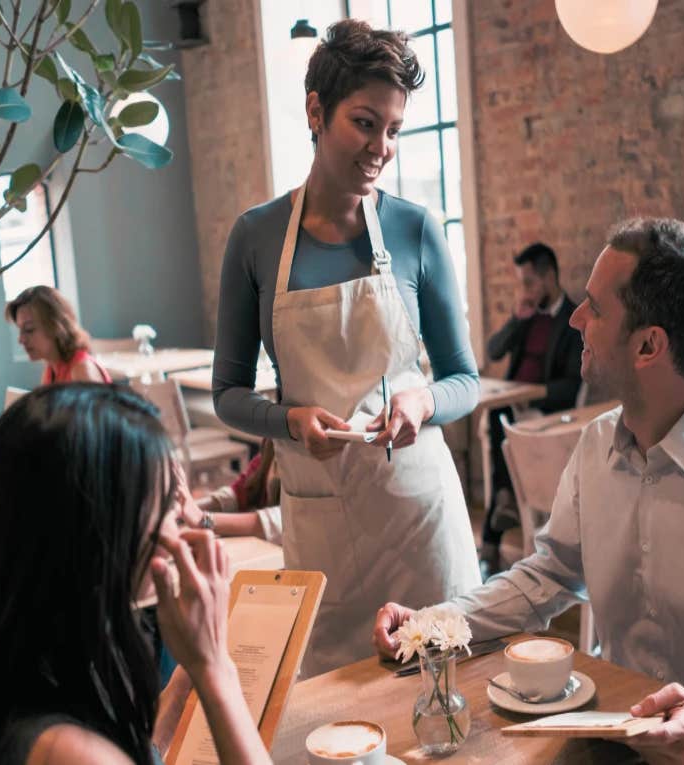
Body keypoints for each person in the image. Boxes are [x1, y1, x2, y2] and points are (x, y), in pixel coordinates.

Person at [373, 218, 684, 764]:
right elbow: (546, 575)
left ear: (647, 345)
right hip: (614, 737)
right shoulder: (596, 447)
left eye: (593, 307)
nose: (574, 318)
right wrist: (432, 627)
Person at [211, 19, 480, 674]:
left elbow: (463, 380)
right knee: (330, 719)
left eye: (393, 129)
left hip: (421, 528)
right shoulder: (255, 238)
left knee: (445, 710)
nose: (381, 146)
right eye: (365, 122)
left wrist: (422, 399)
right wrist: (288, 421)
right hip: (321, 531)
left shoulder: (416, 230)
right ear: (315, 110)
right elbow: (228, 393)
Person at [0, 385, 269, 765]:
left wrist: (184, 684)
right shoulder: (68, 752)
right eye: (164, 507)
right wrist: (216, 669)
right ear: (97, 529)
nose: (174, 533)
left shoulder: (4, 673)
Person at [482, 243, 582, 568]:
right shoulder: (526, 315)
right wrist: (515, 318)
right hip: (512, 407)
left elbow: (572, 385)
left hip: (544, 412)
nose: (523, 290)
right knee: (498, 412)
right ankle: (504, 500)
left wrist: (534, 394)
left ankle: (491, 542)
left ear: (549, 277)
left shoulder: (571, 320)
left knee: (501, 416)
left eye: (528, 282)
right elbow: (494, 351)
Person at [5, 285, 111, 384]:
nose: (21, 340)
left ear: (56, 326)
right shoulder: (51, 369)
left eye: (29, 329)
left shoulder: (81, 370)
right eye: (20, 330)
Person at [187, 440, 283, 543]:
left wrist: (203, 520)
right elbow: (240, 492)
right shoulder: (271, 446)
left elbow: (277, 522)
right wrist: (190, 506)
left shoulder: (299, 459)